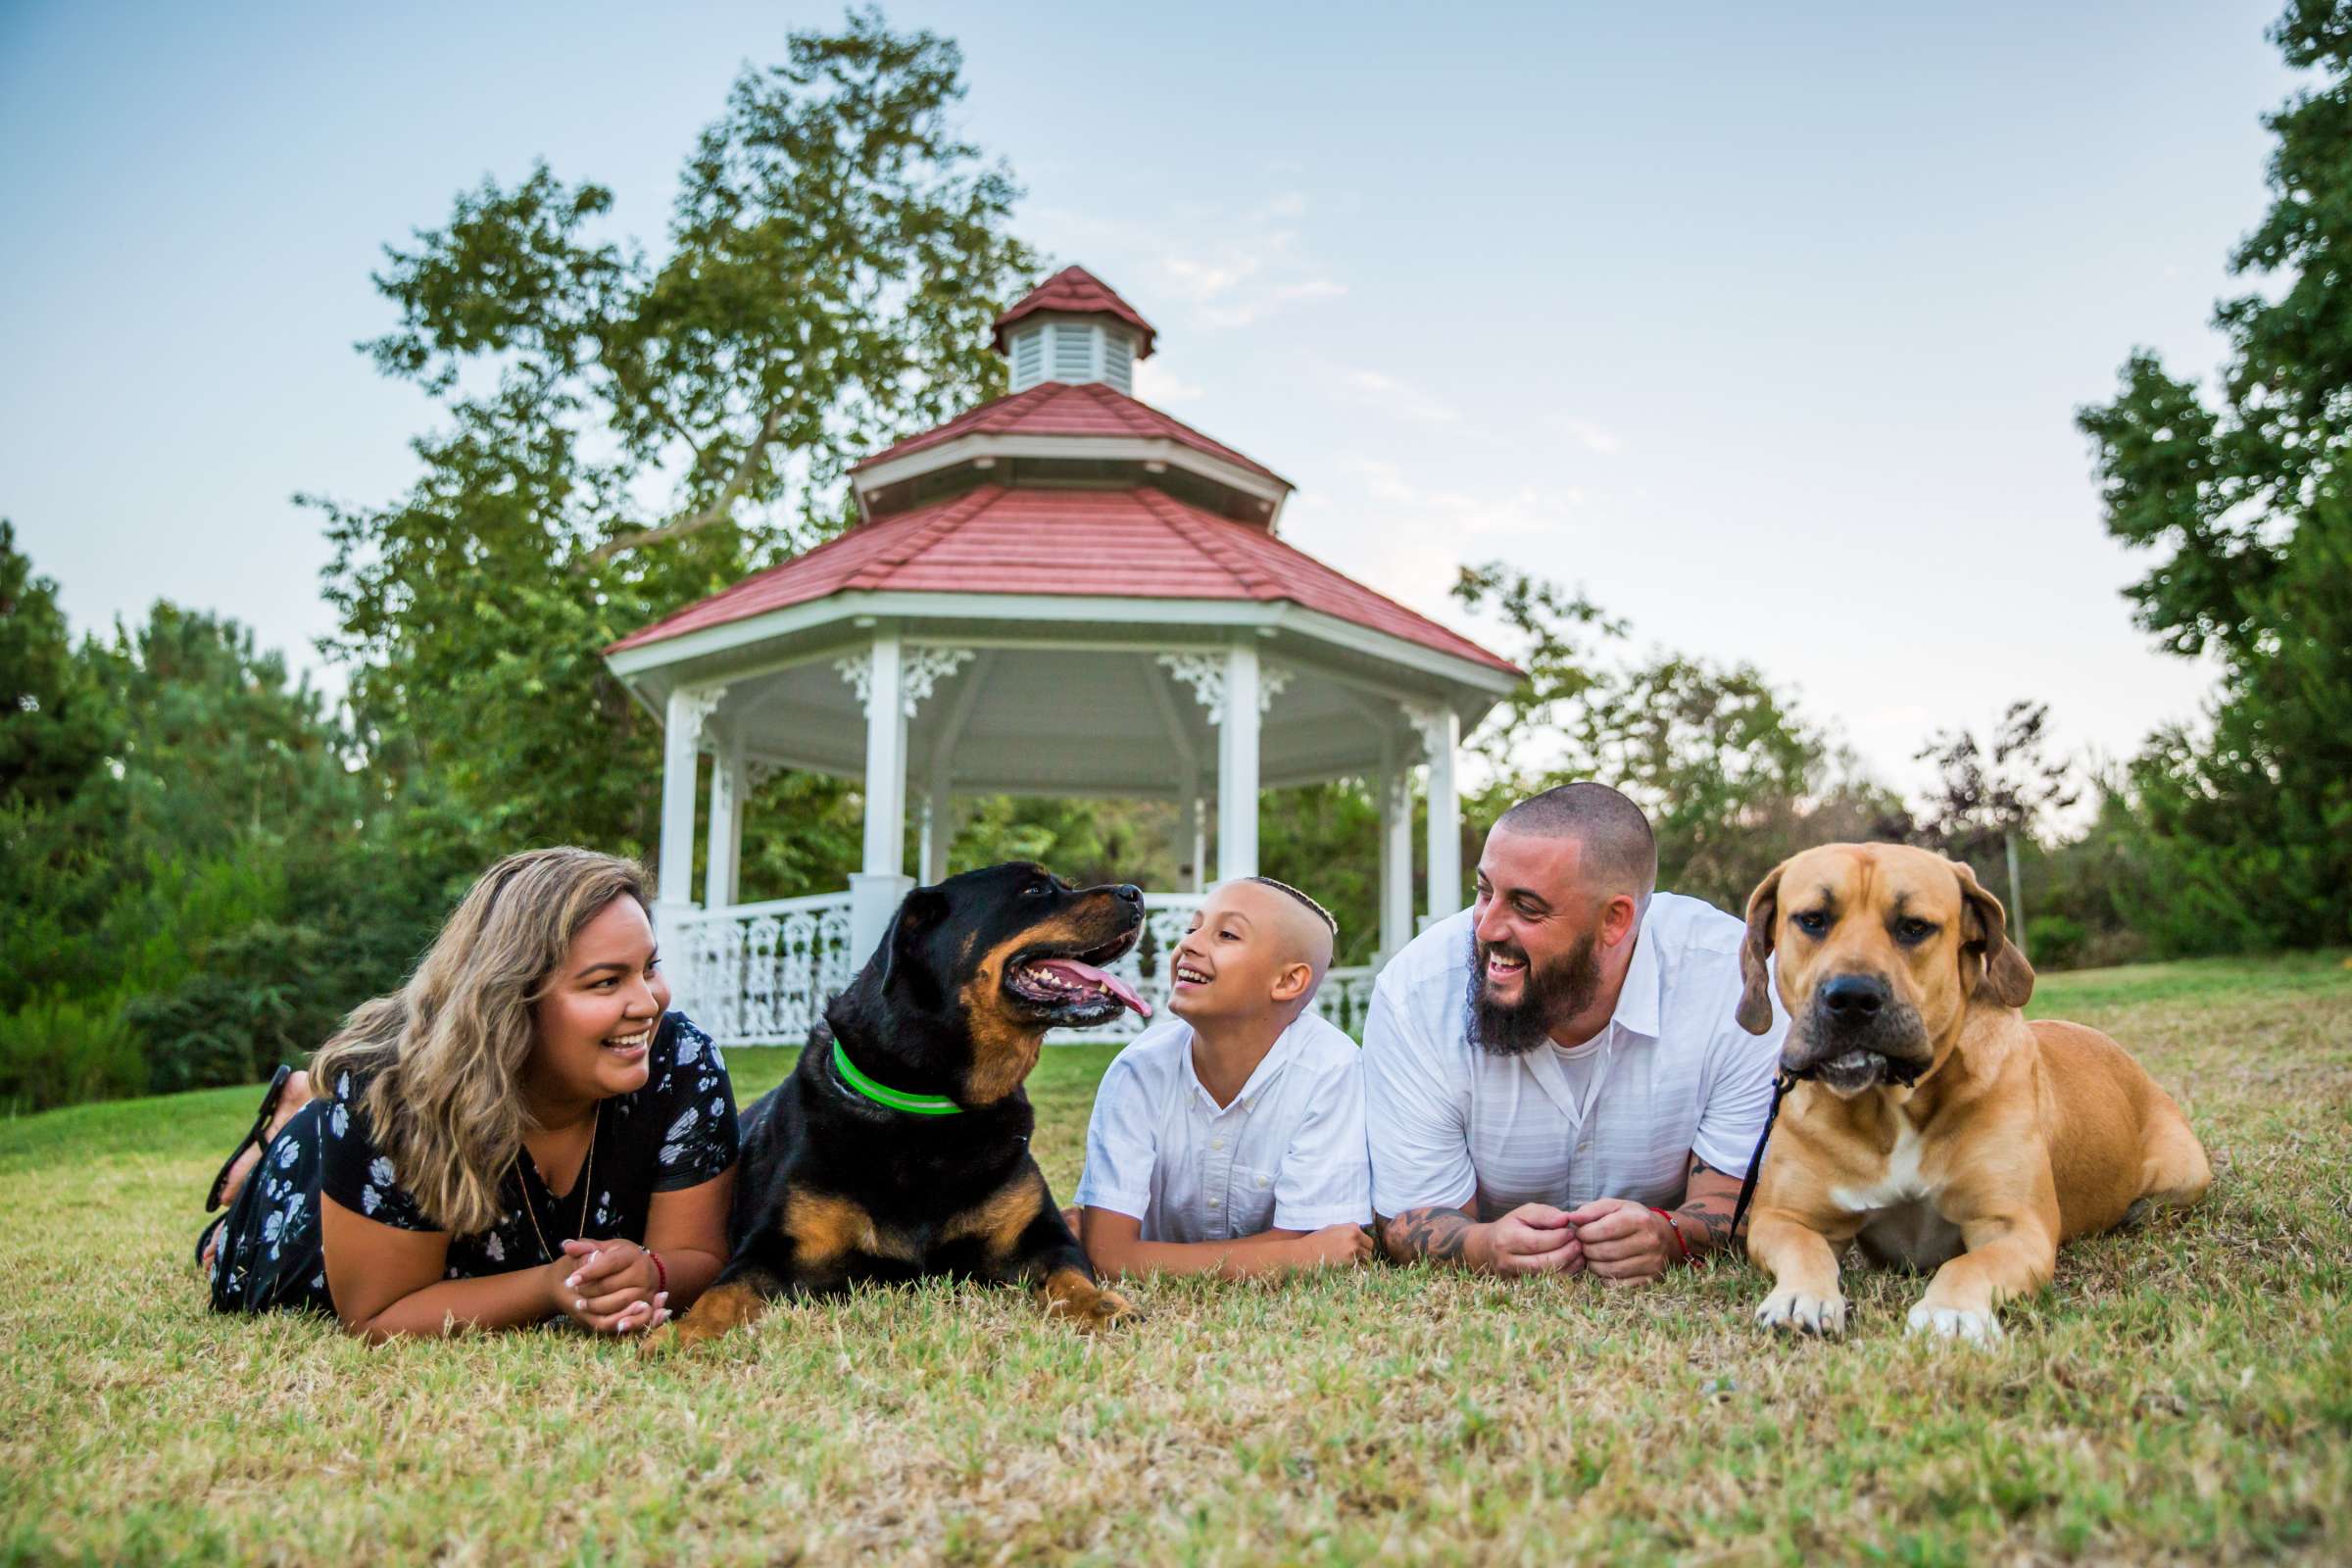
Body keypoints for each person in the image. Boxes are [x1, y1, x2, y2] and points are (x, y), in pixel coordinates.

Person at [195, 847, 739, 1340]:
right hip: (313, 1212)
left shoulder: (681, 1061)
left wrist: (653, 1271)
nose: (648, 1002)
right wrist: (550, 1288)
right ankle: (284, 1137)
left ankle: (303, 1107)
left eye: (650, 968)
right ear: (513, 998)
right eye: (605, 982)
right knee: (234, 1255)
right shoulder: (391, 1094)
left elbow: (699, 1253)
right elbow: (376, 1316)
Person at [1363, 783, 1787, 1282]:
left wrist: (1672, 1234)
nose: (1486, 928)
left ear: (1615, 920)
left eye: (1526, 907)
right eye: (1484, 892)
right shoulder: (1416, 993)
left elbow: (1743, 1200)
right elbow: (1408, 1218)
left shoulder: (1732, 985)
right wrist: (1483, 1245)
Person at [1069, 877, 1373, 1278]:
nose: (1189, 945)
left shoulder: (1331, 1071)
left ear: (1287, 981)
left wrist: (1140, 1257)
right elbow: (1108, 1254)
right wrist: (1292, 1258)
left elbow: (1317, 1235)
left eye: (1226, 934)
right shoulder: (1137, 1072)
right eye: (1191, 929)